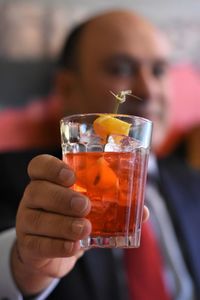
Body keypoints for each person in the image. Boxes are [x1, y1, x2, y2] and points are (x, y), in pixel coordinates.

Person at [1, 9, 200, 300]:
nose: (147, 88)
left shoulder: (193, 183)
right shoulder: (16, 178)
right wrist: (24, 266)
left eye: (158, 70)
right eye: (120, 69)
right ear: (66, 88)